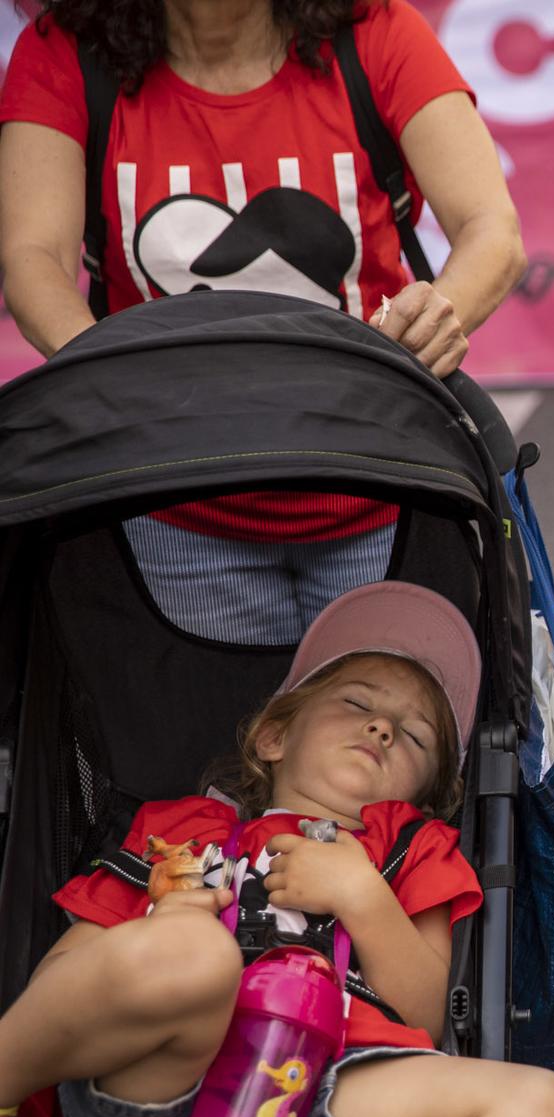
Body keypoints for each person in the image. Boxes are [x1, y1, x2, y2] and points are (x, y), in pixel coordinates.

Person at [0, 580, 554, 1117]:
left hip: (320, 1100)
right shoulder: (185, 829)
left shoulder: (411, 851)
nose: (381, 729)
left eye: (414, 736)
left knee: (543, 1109)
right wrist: (160, 925)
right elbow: (62, 978)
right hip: (156, 1079)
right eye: (356, 703)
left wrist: (364, 897)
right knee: (194, 957)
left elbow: (422, 1016)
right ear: (274, 736)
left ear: (427, 792)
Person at [0, 0, 524, 646]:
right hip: (169, 503)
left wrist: (440, 316)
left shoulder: (377, 33)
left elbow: (492, 231)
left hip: (379, 489)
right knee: (202, 744)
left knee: (377, 738)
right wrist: (115, 387)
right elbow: (33, 260)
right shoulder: (64, 53)